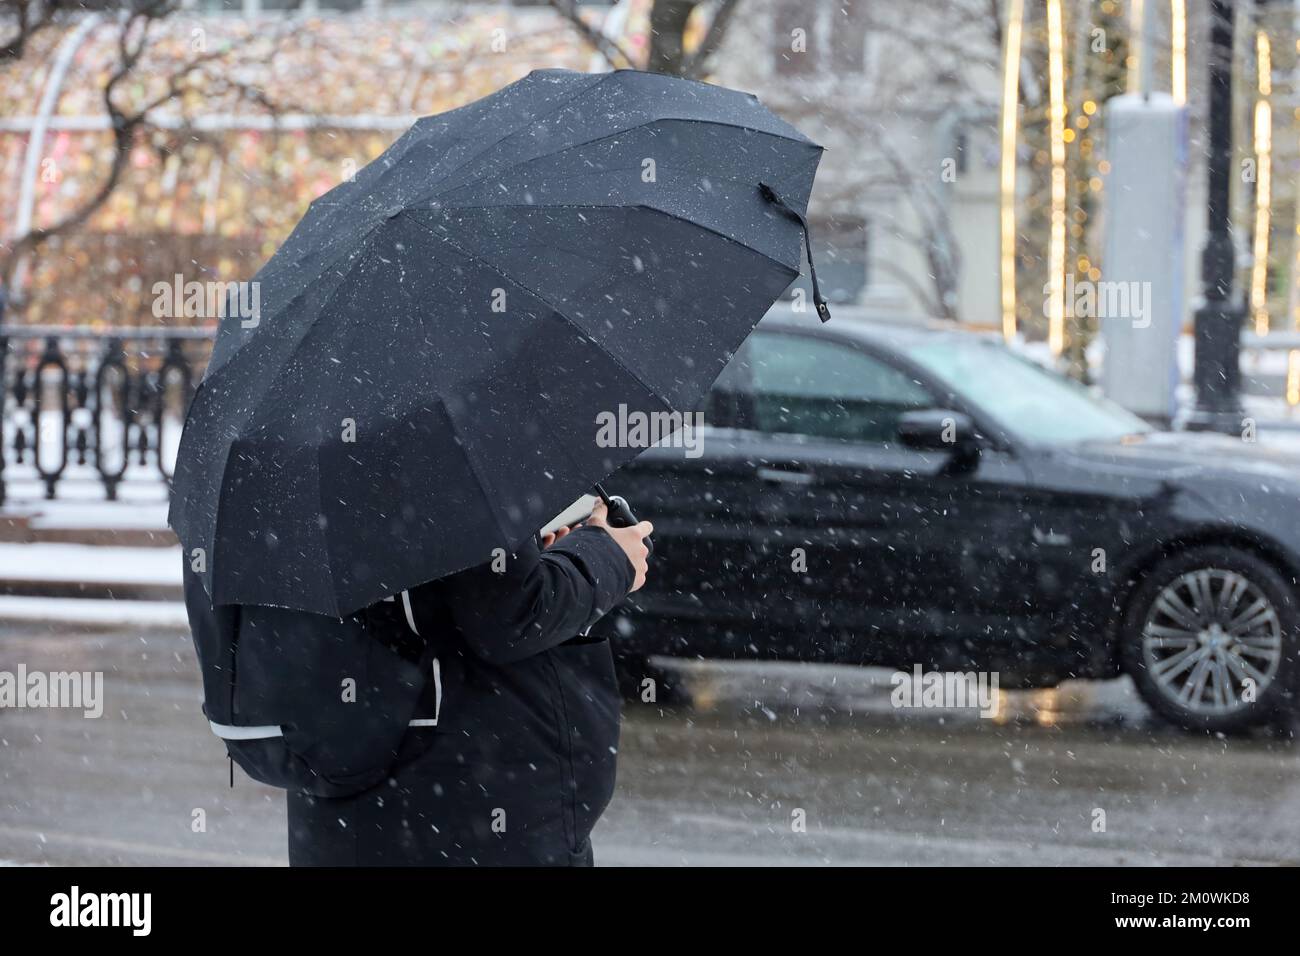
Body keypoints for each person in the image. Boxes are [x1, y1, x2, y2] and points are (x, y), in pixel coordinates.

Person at [286, 498, 652, 866]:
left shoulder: (295, 466)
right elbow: (507, 616)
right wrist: (605, 557)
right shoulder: (449, 461)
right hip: (474, 792)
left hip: (340, 783)